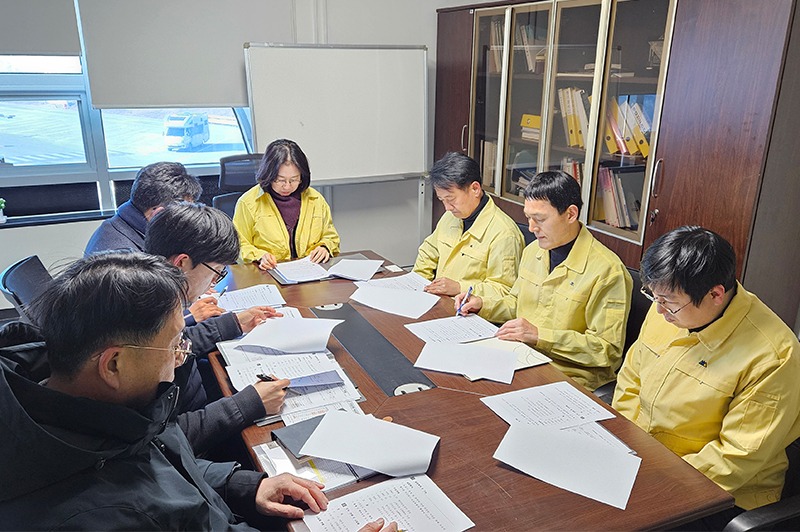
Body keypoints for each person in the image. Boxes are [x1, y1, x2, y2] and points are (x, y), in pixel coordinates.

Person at [0, 252, 327, 529]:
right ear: (114, 365)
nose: (181, 357)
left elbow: (163, 461)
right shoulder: (111, 515)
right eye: (174, 345)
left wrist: (243, 485)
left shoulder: (92, 406)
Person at [613, 226, 800, 522]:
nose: (659, 311)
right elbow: (631, 379)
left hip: (716, 495)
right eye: (654, 297)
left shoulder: (773, 356)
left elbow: (736, 459)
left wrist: (651, 480)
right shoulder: (669, 305)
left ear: (715, 294)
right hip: (639, 464)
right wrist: (621, 443)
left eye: (669, 302)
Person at [456, 170, 632, 391]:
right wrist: (482, 304)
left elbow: (606, 350)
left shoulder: (608, 271)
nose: (531, 228)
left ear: (571, 214)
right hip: (521, 358)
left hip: (567, 376)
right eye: (528, 218)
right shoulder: (534, 251)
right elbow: (517, 304)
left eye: (539, 219)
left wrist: (540, 336)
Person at [144, 202, 288, 455]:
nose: (214, 283)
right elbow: (158, 440)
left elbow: (183, 341)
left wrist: (233, 323)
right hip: (196, 446)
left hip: (199, 406)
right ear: (181, 263)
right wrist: (249, 404)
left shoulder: (158, 296)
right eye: (217, 272)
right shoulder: (145, 321)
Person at [84, 161, 222, 324]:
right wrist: (188, 315)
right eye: (183, 215)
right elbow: (138, 328)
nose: (187, 221)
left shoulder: (123, 225)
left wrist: (194, 284)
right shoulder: (123, 260)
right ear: (158, 213)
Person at [413, 152, 524, 298]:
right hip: (438, 301)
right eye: (442, 200)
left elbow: (504, 291)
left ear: (475, 189)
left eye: (451, 199)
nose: (447, 208)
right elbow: (428, 253)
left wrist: (460, 288)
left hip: (468, 309)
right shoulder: (451, 216)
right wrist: (417, 284)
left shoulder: (505, 234)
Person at [233, 139, 340, 270]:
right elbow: (239, 245)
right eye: (280, 180)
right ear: (269, 175)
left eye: (294, 180)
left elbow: (331, 237)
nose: (287, 186)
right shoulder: (248, 203)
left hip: (310, 272)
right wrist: (259, 256)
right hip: (267, 273)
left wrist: (325, 247)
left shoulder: (316, 200)